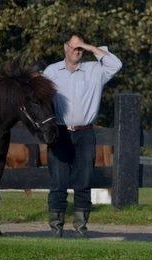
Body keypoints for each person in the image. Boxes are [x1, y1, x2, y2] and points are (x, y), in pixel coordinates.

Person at [43, 31, 122, 237]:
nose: (77, 51)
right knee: (58, 181)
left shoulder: (95, 70)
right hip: (60, 132)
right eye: (74, 47)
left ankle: (80, 227)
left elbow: (116, 64)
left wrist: (90, 47)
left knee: (84, 181)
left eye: (80, 48)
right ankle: (55, 228)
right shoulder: (51, 71)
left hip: (85, 133)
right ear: (65, 47)